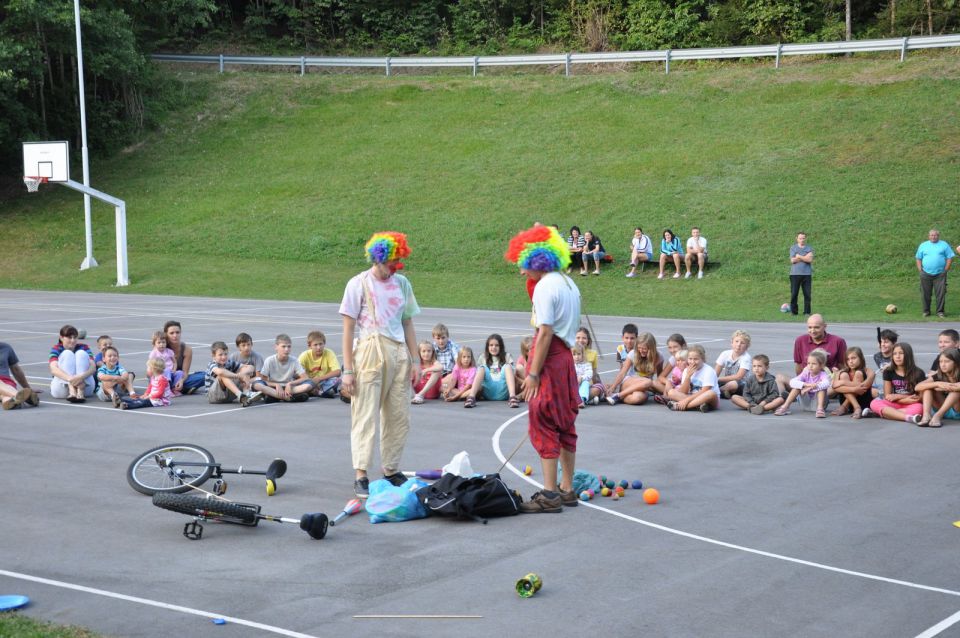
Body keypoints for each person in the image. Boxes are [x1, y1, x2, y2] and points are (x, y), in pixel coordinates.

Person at [505, 224, 581, 513]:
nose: (522, 272)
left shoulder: (546, 287)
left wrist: (534, 373)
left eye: (524, 265)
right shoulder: (568, 283)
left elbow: (545, 332)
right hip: (564, 359)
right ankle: (567, 488)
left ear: (536, 260)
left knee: (544, 419)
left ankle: (549, 494)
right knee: (565, 421)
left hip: (550, 358)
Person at [340, 231, 420, 499]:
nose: (393, 269)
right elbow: (348, 329)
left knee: (398, 415)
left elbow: (408, 322)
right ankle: (361, 473)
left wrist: (415, 360)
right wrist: (348, 370)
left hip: (398, 353)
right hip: (370, 352)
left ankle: (391, 469)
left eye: (398, 263)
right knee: (365, 414)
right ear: (378, 258)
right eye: (390, 264)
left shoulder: (403, 284)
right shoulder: (358, 283)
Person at [776, 314, 847, 392]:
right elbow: (799, 364)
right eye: (810, 327)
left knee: (836, 385)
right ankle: (781, 397)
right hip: (807, 381)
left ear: (825, 326)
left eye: (816, 327)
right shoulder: (800, 340)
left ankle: (809, 395)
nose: (812, 331)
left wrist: (837, 376)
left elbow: (843, 365)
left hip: (826, 384)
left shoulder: (838, 341)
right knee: (779, 377)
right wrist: (800, 382)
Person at [865, 342, 925, 423]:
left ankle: (883, 413)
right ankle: (908, 418)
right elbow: (888, 396)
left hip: (911, 403)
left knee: (920, 408)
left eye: (901, 353)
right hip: (895, 402)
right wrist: (902, 399)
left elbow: (919, 398)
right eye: (895, 354)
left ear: (908, 355)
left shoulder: (918, 373)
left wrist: (898, 396)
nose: (897, 356)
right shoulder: (889, 371)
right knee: (874, 403)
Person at [251, 334, 313, 404]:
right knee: (256, 384)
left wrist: (290, 383)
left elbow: (305, 377)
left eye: (289, 346)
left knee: (309, 384)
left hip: (289, 388)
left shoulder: (294, 360)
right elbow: (263, 380)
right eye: (283, 346)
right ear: (276, 347)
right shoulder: (270, 360)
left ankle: (275, 396)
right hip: (274, 388)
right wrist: (276, 385)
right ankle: (287, 397)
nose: (286, 349)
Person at [606, 332, 665, 405]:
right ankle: (618, 395)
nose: (641, 351)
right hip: (629, 381)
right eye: (639, 348)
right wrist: (613, 387)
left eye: (644, 349)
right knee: (649, 382)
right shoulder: (633, 353)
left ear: (651, 348)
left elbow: (660, 376)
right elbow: (622, 373)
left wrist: (662, 387)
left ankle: (617, 398)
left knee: (638, 398)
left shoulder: (659, 357)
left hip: (644, 387)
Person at [775, 349, 831, 418]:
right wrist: (807, 385)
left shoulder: (823, 374)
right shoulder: (806, 373)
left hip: (817, 404)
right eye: (808, 363)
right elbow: (792, 382)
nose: (810, 366)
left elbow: (826, 383)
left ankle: (820, 409)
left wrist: (809, 388)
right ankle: (785, 407)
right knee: (797, 386)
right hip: (805, 404)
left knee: (822, 388)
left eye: (814, 364)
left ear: (821, 365)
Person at [665, 344, 719, 412]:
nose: (692, 362)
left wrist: (686, 401)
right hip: (692, 397)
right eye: (690, 359)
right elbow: (683, 392)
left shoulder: (709, 371)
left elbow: (704, 391)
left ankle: (680, 406)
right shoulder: (686, 370)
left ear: (702, 359)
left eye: (696, 359)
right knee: (671, 392)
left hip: (707, 399)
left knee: (711, 393)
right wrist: (688, 377)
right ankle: (698, 406)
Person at [49, 325, 96, 402]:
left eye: (75, 337)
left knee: (81, 353)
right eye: (69, 338)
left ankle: (80, 391)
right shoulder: (56, 348)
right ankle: (72, 390)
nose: (73, 340)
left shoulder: (84, 347)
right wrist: (71, 380)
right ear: (61, 338)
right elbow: (53, 369)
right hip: (62, 389)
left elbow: (93, 367)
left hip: (85, 388)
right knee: (67, 353)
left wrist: (80, 378)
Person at [916, 348, 960, 427]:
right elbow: (917, 387)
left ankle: (937, 416)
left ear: (956, 363)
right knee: (927, 388)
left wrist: (942, 387)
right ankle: (926, 415)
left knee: (956, 391)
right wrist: (937, 384)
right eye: (941, 361)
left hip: (957, 410)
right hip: (941, 407)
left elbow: (957, 387)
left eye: (947, 361)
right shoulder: (939, 375)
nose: (943, 364)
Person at [473, 334, 520, 408]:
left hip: (503, 390)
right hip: (488, 390)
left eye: (496, 345)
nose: (493, 347)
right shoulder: (483, 357)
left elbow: (512, 375)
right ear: (487, 347)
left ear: (501, 346)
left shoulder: (507, 356)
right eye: (491, 345)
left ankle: (512, 397)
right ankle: (471, 397)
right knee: (482, 368)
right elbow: (478, 376)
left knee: (507, 366)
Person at [915, 228, 954, 318]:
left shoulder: (944, 245)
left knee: (941, 293)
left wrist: (946, 269)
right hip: (925, 273)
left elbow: (949, 257)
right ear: (929, 236)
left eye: (935, 235)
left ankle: (940, 312)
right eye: (932, 235)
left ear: (938, 236)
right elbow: (918, 258)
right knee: (925, 293)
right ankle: (926, 311)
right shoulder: (923, 245)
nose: (934, 237)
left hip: (940, 274)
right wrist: (920, 269)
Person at [831, 347, 875, 418]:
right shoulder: (840, 372)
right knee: (843, 374)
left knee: (858, 373)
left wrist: (843, 383)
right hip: (848, 403)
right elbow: (834, 387)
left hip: (863, 402)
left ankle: (846, 407)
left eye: (853, 358)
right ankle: (856, 407)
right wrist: (853, 389)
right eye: (848, 359)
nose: (850, 361)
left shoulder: (868, 371)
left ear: (861, 358)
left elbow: (864, 386)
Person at [164, 321, 206, 394]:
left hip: (179, 378)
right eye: (171, 333)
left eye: (177, 332)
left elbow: (185, 372)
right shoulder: (161, 347)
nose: (175, 335)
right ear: (166, 334)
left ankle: (180, 387)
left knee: (207, 375)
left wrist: (181, 381)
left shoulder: (187, 349)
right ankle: (183, 388)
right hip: (164, 378)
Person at [298, 330, 342, 398]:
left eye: (320, 344)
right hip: (309, 381)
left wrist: (319, 379)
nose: (318, 347)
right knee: (295, 380)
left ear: (324, 344)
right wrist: (311, 381)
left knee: (337, 380)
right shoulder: (304, 356)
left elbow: (338, 372)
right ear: (310, 346)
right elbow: (296, 373)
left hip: (324, 381)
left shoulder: (329, 353)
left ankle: (314, 391)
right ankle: (319, 391)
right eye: (315, 345)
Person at [0, 341, 39, 410]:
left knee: (5, 396)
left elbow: (16, 370)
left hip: (7, 382)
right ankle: (24, 397)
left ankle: (11, 402)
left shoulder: (6, 347)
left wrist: (28, 388)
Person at [715, 330, 752, 399]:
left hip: (743, 384)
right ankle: (724, 392)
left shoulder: (746, 357)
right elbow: (715, 373)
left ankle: (717, 392)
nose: (738, 345)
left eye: (742, 343)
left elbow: (738, 377)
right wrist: (713, 380)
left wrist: (718, 379)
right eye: (736, 341)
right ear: (731, 343)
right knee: (711, 382)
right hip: (727, 381)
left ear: (747, 346)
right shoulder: (725, 354)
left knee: (732, 384)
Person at [789, 232, 814, 315]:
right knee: (794, 294)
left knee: (807, 294)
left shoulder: (809, 248)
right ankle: (794, 312)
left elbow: (810, 260)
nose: (802, 240)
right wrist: (805, 257)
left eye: (803, 238)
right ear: (797, 239)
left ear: (805, 239)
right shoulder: (793, 248)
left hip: (807, 274)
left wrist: (799, 256)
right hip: (795, 274)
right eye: (800, 238)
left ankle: (807, 312)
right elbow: (793, 260)